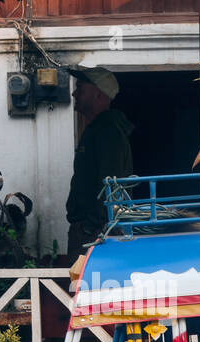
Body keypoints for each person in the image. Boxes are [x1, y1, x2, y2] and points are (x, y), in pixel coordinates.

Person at [65, 67, 133, 258]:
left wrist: (91, 228)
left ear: (98, 95)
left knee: (88, 285)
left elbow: (111, 182)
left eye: (80, 88)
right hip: (92, 229)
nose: (74, 93)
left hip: (96, 232)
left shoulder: (107, 130)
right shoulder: (97, 128)